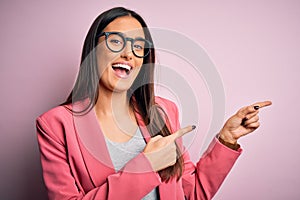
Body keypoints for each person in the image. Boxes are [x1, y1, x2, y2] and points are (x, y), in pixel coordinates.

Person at [36, 7, 272, 200]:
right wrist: (145, 167)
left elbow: (191, 194)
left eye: (138, 46)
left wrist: (227, 139)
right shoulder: (56, 125)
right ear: (93, 50)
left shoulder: (163, 111)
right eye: (116, 41)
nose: (129, 53)